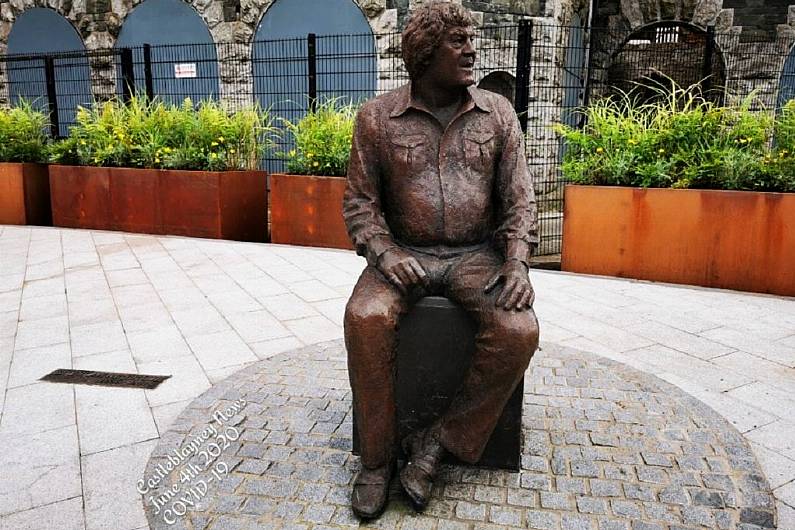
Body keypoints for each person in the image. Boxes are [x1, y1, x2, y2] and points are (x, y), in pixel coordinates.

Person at [342, 1, 540, 519]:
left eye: (470, 39)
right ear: (425, 52)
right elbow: (360, 204)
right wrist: (384, 251)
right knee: (365, 318)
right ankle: (376, 462)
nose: (471, 50)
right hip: (401, 255)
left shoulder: (497, 113)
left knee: (519, 331)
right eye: (457, 41)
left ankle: (436, 445)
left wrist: (516, 261)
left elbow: (520, 198)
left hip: (476, 257)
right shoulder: (377, 118)